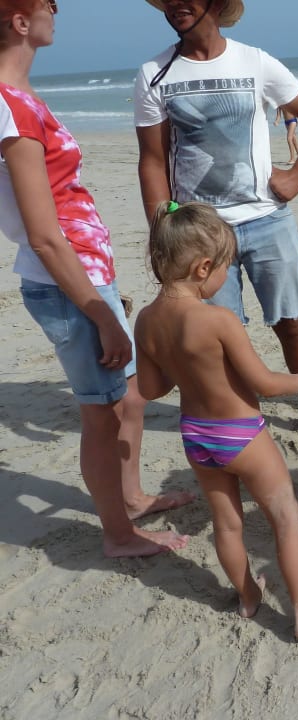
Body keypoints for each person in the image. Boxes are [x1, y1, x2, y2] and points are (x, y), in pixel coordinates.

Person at [0, 0, 193, 557]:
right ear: (20, 21)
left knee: (129, 399)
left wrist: (103, 292)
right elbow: (43, 235)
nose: (56, 13)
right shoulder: (11, 107)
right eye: (49, 5)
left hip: (84, 275)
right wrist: (100, 312)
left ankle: (130, 500)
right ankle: (118, 535)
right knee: (103, 415)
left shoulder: (23, 98)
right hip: (66, 283)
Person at [136, 201, 298, 639]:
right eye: (224, 269)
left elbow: (152, 389)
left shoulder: (146, 320)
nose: (223, 277)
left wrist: (177, 365)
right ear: (203, 268)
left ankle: (248, 596)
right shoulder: (218, 320)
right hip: (241, 434)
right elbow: (265, 383)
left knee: (228, 524)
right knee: (285, 517)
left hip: (196, 437)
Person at [134, 0, 298, 443]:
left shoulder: (255, 62)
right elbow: (152, 161)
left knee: (291, 324)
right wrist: (162, 230)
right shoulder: (154, 73)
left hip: (267, 220)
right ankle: (243, 425)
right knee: (216, 340)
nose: (176, 4)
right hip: (200, 234)